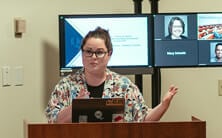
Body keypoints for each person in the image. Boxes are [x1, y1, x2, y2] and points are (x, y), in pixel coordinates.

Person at [45, 26, 178, 123]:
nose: (93, 57)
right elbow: (53, 121)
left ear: (109, 54)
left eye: (99, 52)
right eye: (88, 51)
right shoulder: (66, 86)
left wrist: (164, 105)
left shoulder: (124, 86)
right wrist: (76, 107)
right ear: (82, 53)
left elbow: (144, 120)